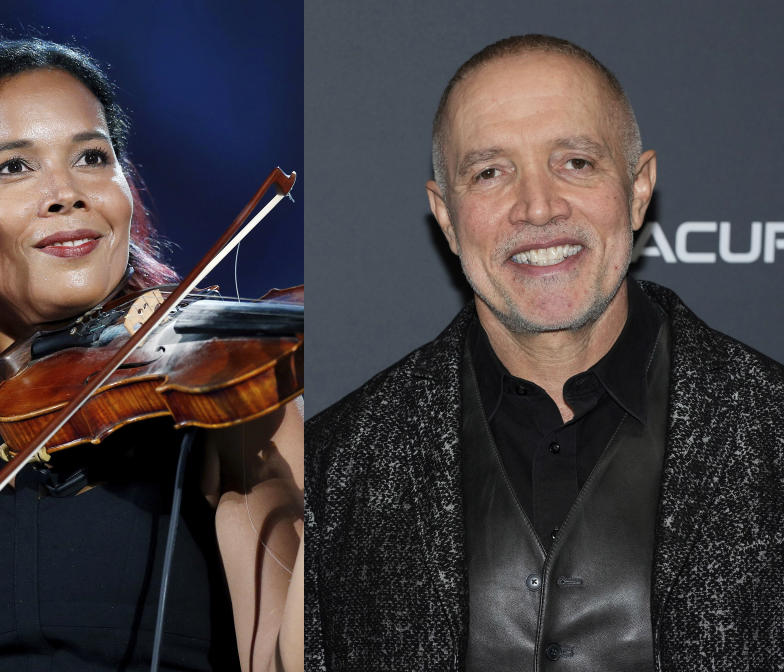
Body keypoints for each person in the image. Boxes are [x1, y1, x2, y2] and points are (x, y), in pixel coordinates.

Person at [305, 34, 784, 671]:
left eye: (575, 163)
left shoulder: (770, 426)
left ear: (638, 188)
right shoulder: (330, 470)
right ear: (446, 216)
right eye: (490, 173)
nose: (537, 207)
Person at [0, 38, 303, 672]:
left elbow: (287, 656)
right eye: (14, 167)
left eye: (92, 156)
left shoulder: (219, 404)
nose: (67, 192)